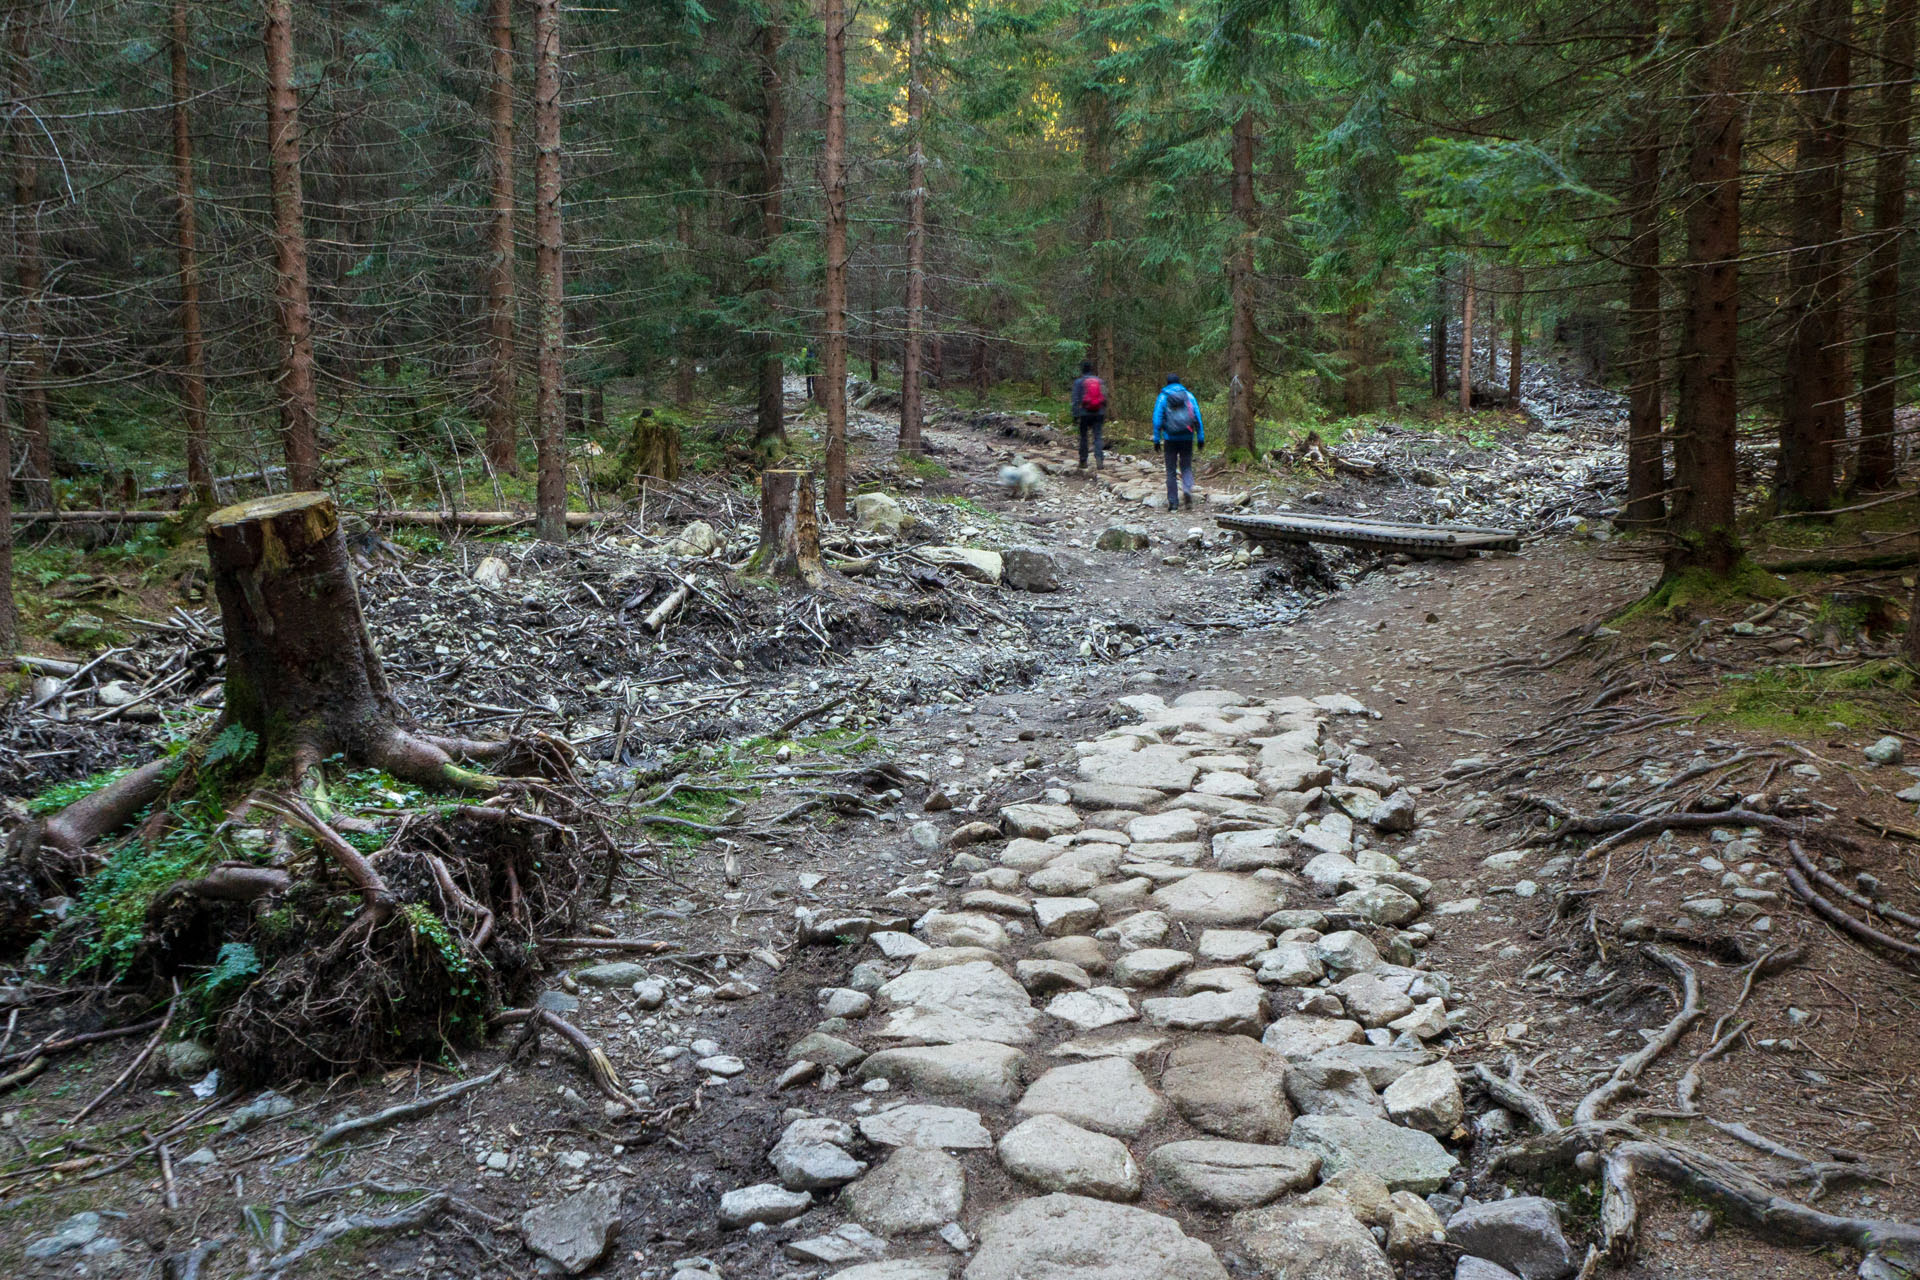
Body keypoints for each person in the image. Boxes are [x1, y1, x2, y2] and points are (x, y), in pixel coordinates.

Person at [1152, 374, 1205, 510]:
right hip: (1187, 436)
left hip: (1170, 438)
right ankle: (1187, 489)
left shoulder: (1163, 397)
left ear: (1167, 383)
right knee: (1186, 466)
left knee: (1170, 471)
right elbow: (1197, 417)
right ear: (1179, 383)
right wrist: (1200, 437)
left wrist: (1157, 439)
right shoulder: (1189, 396)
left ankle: (1173, 503)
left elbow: (1157, 419)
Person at [1069, 360, 1108, 470]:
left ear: (1082, 370)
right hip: (1098, 412)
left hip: (1084, 413)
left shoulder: (1079, 382)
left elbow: (1076, 399)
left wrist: (1075, 415)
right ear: (1091, 369)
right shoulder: (1099, 381)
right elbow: (1104, 397)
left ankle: (1083, 461)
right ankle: (1099, 459)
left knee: (1084, 437)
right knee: (1098, 436)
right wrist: (1103, 411)